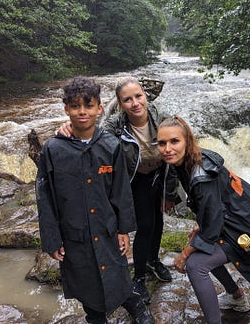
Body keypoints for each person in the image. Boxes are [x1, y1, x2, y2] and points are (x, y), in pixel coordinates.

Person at [36, 77, 154, 324]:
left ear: (99, 108)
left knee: (118, 273)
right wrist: (52, 239)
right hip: (73, 233)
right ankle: (96, 318)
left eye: (88, 106)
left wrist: (124, 229)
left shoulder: (110, 145)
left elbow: (121, 191)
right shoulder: (53, 150)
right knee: (86, 281)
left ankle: (135, 305)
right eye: (76, 106)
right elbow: (45, 197)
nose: (82, 112)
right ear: (66, 109)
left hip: (107, 228)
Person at [58, 76, 179, 304]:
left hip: (159, 176)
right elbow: (95, 137)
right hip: (135, 180)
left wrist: (171, 193)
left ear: (145, 96)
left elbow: (175, 151)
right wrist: (70, 127)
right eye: (127, 99)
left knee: (158, 221)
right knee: (145, 226)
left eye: (138, 96)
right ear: (120, 103)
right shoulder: (115, 125)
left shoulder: (162, 118)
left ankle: (154, 260)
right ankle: (140, 277)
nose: (135, 103)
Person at [156, 116, 250, 324]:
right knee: (200, 244)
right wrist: (199, 226)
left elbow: (212, 229)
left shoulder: (201, 173)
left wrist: (185, 253)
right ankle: (236, 298)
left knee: (196, 264)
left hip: (247, 230)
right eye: (162, 143)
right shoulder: (191, 160)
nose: (167, 148)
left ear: (187, 140)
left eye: (174, 141)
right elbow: (214, 206)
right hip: (237, 221)